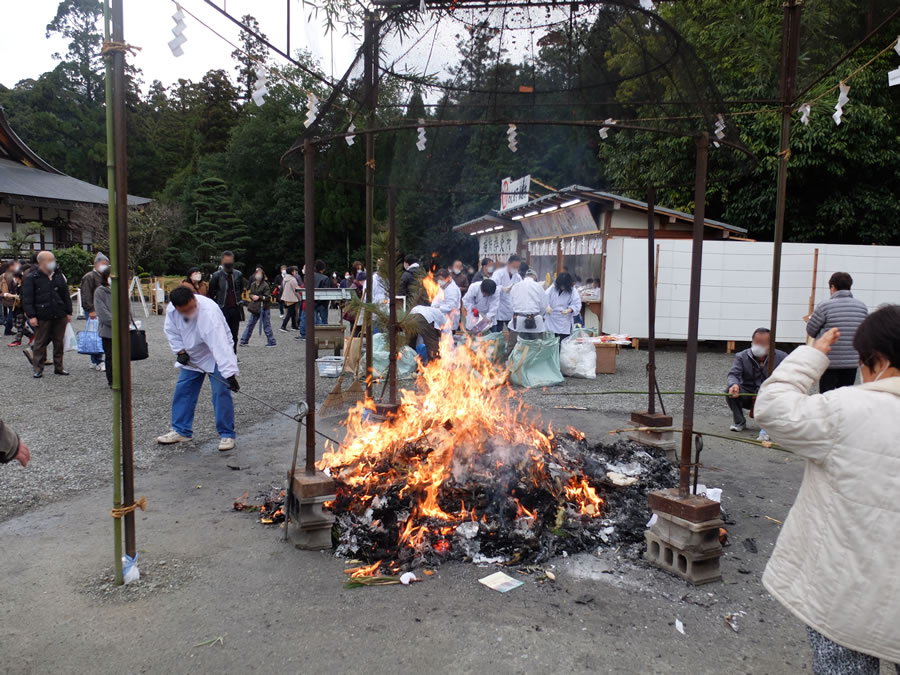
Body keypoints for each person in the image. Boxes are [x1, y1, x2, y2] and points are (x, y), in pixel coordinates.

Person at [755, 309, 900, 674]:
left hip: (843, 594)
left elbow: (771, 408)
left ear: (879, 361)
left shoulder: (847, 409)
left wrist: (812, 353)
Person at [158, 286, 240, 452]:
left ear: (194, 298)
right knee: (184, 389)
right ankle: (181, 430)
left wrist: (229, 374)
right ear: (177, 307)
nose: (190, 311)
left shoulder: (209, 313)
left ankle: (227, 433)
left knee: (220, 392)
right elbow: (171, 330)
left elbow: (220, 346)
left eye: (191, 307)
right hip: (192, 354)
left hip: (215, 354)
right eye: (185, 310)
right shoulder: (173, 310)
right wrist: (180, 351)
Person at [806, 271, 868, 392]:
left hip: (828, 361)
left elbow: (811, 331)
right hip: (852, 361)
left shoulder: (824, 306)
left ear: (833, 287)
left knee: (826, 397)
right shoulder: (862, 307)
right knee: (845, 397)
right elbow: (865, 333)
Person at [726, 328, 787, 441]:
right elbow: (733, 374)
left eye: (763, 344)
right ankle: (739, 422)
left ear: (771, 344)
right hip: (748, 393)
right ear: (752, 342)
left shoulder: (782, 357)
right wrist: (734, 384)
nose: (758, 346)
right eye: (756, 342)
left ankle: (768, 427)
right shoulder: (741, 356)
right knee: (729, 391)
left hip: (769, 394)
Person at [22, 251, 73, 378]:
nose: (53, 262)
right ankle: (38, 368)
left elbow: (65, 295)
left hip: (59, 312)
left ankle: (59, 367)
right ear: (41, 262)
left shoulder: (58, 275)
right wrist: (31, 315)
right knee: (40, 342)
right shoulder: (32, 277)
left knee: (59, 342)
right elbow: (27, 298)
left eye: (53, 260)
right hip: (41, 314)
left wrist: (68, 311)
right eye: (50, 260)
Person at [207, 251, 244, 353]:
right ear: (222, 261)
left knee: (234, 334)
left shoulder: (238, 274)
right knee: (221, 333)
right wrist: (217, 304)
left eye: (230, 261)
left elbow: (240, 289)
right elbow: (211, 291)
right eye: (226, 261)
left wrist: (238, 300)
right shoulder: (216, 275)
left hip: (235, 307)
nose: (228, 263)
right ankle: (222, 355)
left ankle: (233, 354)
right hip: (222, 308)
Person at [506, 268, 546, 357]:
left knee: (513, 347)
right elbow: (543, 306)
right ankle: (535, 367)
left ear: (524, 277)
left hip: (518, 320)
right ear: (535, 277)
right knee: (537, 348)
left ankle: (509, 367)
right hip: (535, 320)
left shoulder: (516, 286)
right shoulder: (539, 287)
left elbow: (511, 304)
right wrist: (539, 315)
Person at [80, 252, 109, 371]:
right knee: (95, 335)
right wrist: (90, 309)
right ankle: (97, 360)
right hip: (94, 309)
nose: (105, 266)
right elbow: (86, 295)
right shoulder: (89, 276)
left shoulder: (103, 276)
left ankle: (94, 360)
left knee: (97, 335)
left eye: (107, 264)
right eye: (103, 264)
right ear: (96, 264)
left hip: (102, 309)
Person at [240, 267, 276, 347]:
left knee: (266, 325)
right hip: (255, 307)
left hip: (264, 307)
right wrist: (252, 296)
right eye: (257, 273)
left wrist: (258, 297)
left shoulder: (265, 285)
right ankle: (244, 340)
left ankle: (272, 341)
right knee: (250, 324)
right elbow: (250, 293)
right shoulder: (253, 284)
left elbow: (267, 297)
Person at [297, 260, 331, 339]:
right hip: (322, 302)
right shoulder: (325, 278)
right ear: (323, 269)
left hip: (310, 300)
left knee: (308, 318)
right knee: (322, 320)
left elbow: (304, 287)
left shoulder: (309, 276)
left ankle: (305, 334)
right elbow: (327, 291)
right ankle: (324, 334)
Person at [544, 272, 582, 342]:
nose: (562, 287)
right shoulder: (552, 288)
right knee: (550, 342)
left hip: (564, 320)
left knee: (562, 343)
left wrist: (569, 310)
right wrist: (547, 306)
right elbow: (544, 298)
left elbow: (577, 304)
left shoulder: (573, 291)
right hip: (551, 318)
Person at [3, 261, 32, 347]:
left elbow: (23, 298)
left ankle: (18, 340)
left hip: (21, 307)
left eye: (15, 278)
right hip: (15, 307)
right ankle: (31, 335)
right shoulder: (17, 286)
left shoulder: (23, 287)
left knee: (19, 324)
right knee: (16, 323)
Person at [490, 254, 522, 332]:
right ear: (508, 264)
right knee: (497, 333)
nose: (515, 269)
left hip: (511, 309)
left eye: (517, 267)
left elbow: (521, 289)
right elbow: (491, 287)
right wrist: (502, 288)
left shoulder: (517, 277)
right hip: (499, 308)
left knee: (513, 333)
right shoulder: (498, 274)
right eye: (514, 266)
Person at [94, 267, 114, 387]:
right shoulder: (100, 292)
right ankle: (112, 380)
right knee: (110, 356)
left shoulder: (122, 290)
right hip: (108, 330)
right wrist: (116, 323)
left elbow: (129, 309)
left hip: (123, 329)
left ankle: (123, 378)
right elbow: (102, 313)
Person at [279, 266, 301, 332]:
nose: (295, 272)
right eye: (294, 271)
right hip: (292, 298)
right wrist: (300, 298)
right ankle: (283, 326)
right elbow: (296, 290)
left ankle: (294, 326)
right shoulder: (292, 279)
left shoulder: (285, 278)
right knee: (290, 313)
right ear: (292, 272)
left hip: (286, 297)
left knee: (293, 312)